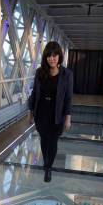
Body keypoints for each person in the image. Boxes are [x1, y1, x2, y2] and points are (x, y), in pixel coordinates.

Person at [28, 41, 73, 183]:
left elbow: (68, 98)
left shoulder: (67, 74)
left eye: (55, 55)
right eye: (49, 56)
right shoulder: (40, 73)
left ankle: (48, 167)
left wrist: (68, 118)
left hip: (57, 113)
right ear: (45, 57)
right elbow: (34, 94)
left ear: (59, 56)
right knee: (44, 140)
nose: (52, 58)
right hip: (41, 112)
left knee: (53, 141)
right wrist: (30, 113)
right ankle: (46, 162)